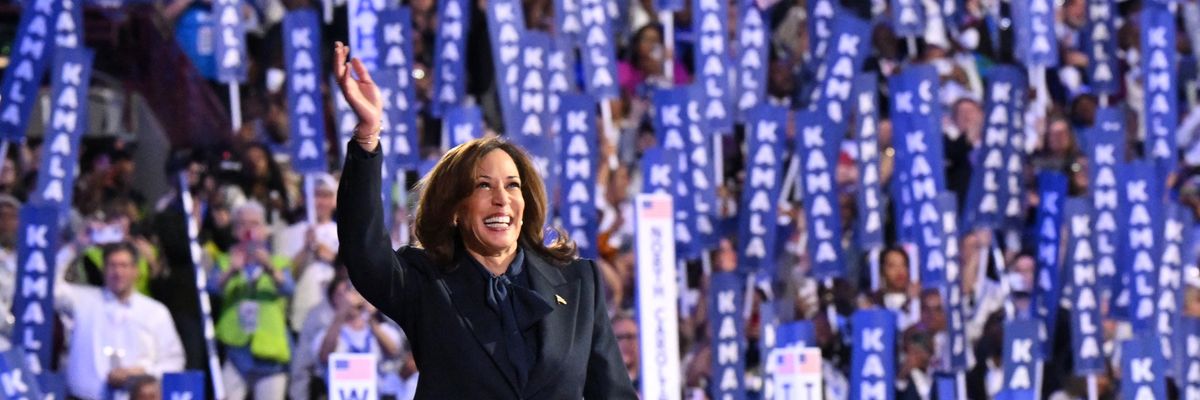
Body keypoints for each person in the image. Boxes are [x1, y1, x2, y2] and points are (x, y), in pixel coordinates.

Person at [332, 41, 637, 398]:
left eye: (512, 186)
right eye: (483, 186)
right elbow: (364, 250)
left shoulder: (579, 282)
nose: (501, 200)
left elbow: (613, 393)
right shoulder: (424, 282)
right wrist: (368, 137)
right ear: (456, 208)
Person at [61, 242, 185, 400]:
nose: (118, 272)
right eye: (112, 266)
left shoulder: (155, 312)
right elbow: (48, 286)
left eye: (124, 266)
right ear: (103, 270)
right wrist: (75, 245)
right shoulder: (82, 301)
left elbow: (174, 361)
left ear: (136, 271)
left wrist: (141, 374)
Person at [210, 200, 294, 400]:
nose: (249, 229)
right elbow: (212, 289)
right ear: (234, 230)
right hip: (236, 350)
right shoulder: (223, 261)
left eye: (255, 224)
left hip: (270, 353)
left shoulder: (279, 262)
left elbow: (289, 289)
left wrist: (269, 267)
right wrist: (231, 270)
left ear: (265, 230)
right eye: (242, 224)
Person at [312, 275, 407, 399]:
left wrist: (370, 317)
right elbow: (324, 356)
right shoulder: (326, 334)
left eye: (353, 292)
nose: (350, 298)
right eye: (342, 294)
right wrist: (341, 313)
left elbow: (393, 351)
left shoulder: (381, 329)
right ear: (333, 299)